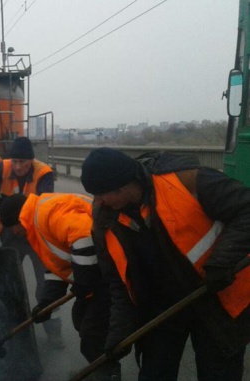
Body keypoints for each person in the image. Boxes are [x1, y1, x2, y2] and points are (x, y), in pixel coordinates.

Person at [80, 147, 250, 381]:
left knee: (218, 374)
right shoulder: (104, 221)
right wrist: (118, 334)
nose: (97, 202)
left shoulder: (187, 181)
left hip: (215, 294)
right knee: (154, 374)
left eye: (101, 194)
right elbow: (118, 284)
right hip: (161, 308)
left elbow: (246, 210)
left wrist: (221, 261)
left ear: (122, 185)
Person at [0, 192, 121, 381]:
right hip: (101, 273)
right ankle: (101, 367)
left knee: (92, 332)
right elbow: (58, 267)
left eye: (13, 226)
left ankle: (107, 374)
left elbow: (84, 236)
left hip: (115, 271)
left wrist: (84, 278)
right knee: (80, 317)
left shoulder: (48, 213)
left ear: (20, 218)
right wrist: (47, 303)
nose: (14, 232)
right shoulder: (38, 224)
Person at [0, 136, 63, 346]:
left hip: (37, 236)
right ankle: (12, 329)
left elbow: (43, 201)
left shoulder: (43, 173)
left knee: (46, 286)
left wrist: (9, 203)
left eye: (23, 162)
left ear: (31, 160)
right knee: (8, 283)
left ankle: (54, 332)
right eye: (16, 161)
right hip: (10, 234)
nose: (18, 166)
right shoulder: (5, 167)